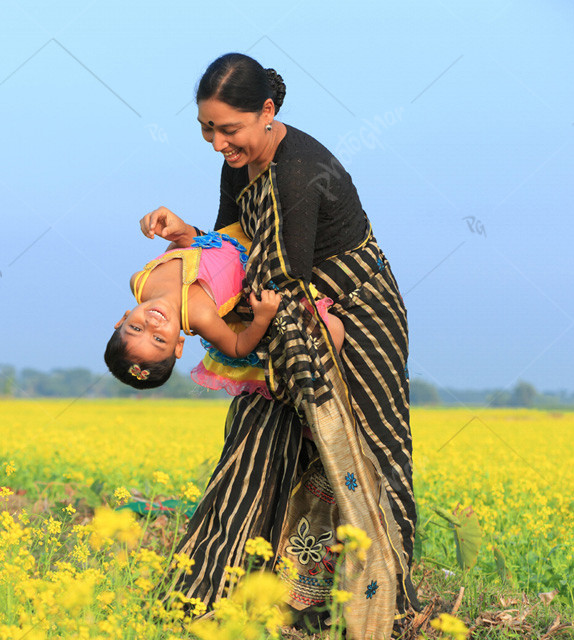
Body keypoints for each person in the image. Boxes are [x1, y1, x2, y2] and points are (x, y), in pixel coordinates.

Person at [154, 53, 417, 639]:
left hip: (353, 313)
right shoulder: (240, 161)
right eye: (206, 129)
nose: (217, 143)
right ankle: (226, 600)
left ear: (267, 112)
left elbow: (275, 276)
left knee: (362, 453)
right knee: (256, 443)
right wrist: (187, 237)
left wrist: (210, 318)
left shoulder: (297, 172)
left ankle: (379, 609)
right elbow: (234, 246)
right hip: (283, 313)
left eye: (228, 128)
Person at [105, 222, 345, 391]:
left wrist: (177, 230)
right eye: (159, 340)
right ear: (179, 346)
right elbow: (238, 347)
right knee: (331, 329)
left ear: (123, 319)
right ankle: (315, 392)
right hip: (259, 261)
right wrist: (262, 317)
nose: (152, 325)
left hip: (233, 232)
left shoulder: (140, 281)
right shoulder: (199, 317)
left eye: (135, 329)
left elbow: (186, 251)